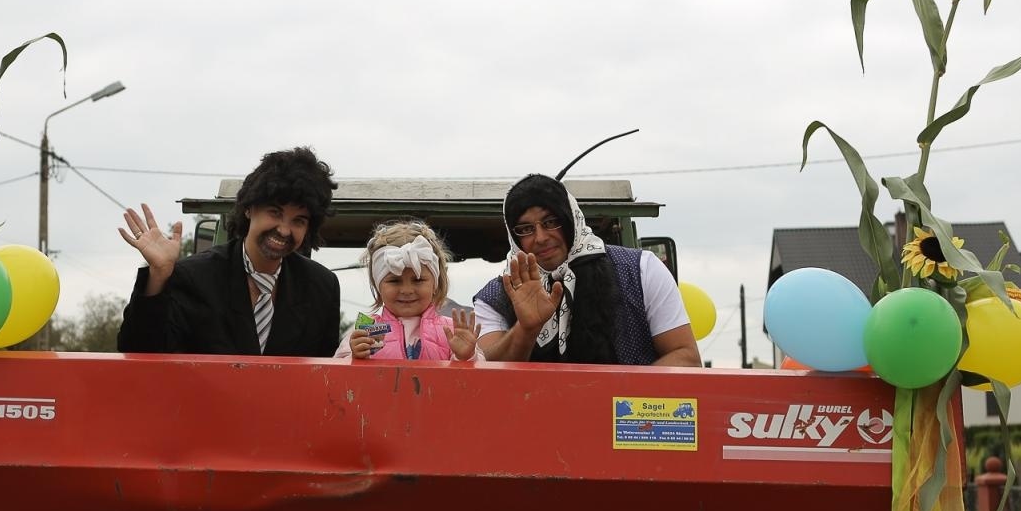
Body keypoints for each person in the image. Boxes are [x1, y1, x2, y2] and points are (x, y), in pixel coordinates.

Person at [116, 146, 340, 356]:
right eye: (275, 213)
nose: (283, 229)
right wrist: (158, 275)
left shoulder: (321, 287)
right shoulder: (195, 277)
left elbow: (325, 372)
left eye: (298, 221)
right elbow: (140, 351)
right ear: (249, 209)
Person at [472, 173, 701, 366]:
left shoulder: (641, 270)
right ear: (513, 236)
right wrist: (526, 329)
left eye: (551, 222)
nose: (540, 237)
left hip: (624, 418)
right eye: (526, 228)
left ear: (571, 218)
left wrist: (614, 401)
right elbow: (488, 375)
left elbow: (686, 358)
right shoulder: (496, 295)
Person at [336, 220, 482, 362]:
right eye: (394, 281)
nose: (406, 290)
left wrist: (466, 357)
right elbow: (335, 377)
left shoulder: (453, 331)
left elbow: (480, 379)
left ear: (435, 284)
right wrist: (354, 358)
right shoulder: (364, 332)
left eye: (418, 280)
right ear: (378, 287)